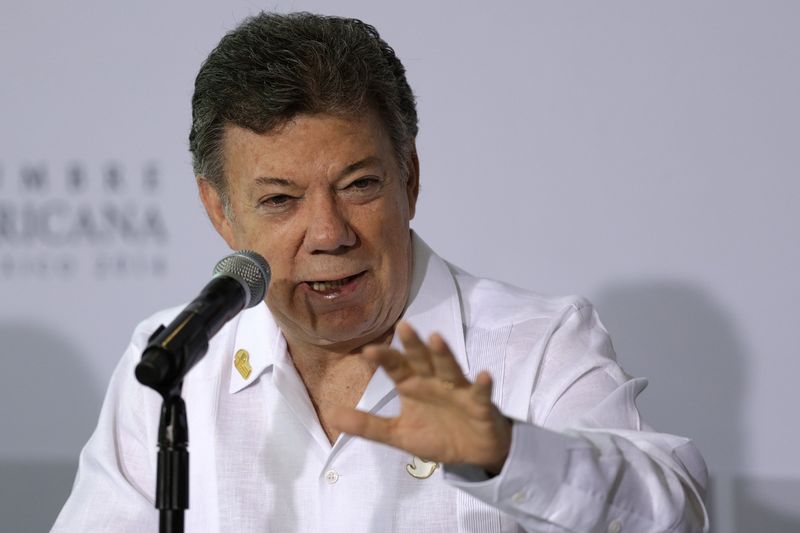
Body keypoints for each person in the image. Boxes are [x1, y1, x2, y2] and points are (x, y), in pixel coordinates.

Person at [52, 12, 709, 533]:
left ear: (410, 180)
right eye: (280, 199)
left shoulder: (535, 343)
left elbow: (676, 512)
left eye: (359, 184)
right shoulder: (172, 361)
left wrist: (506, 452)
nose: (331, 233)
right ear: (220, 211)